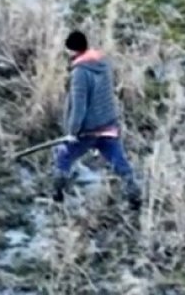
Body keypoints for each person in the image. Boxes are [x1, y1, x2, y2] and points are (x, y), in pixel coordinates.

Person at [53, 30, 141, 210]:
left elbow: (79, 106)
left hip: (87, 129)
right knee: (118, 160)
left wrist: (72, 132)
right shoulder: (103, 64)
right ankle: (133, 193)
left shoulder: (80, 73)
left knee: (63, 156)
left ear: (73, 50)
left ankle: (57, 195)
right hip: (109, 124)